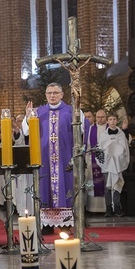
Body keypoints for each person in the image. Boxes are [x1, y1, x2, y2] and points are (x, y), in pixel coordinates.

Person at [22, 83, 76, 229]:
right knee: (44, 187)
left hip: (64, 158)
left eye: (55, 93)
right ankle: (46, 225)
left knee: (66, 187)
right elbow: (26, 132)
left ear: (61, 94)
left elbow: (82, 129)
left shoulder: (71, 111)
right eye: (49, 93)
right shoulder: (38, 111)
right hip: (44, 158)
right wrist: (28, 118)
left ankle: (65, 224)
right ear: (45, 95)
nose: (52, 95)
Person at [99, 112, 130, 217]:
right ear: (107, 121)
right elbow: (100, 150)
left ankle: (117, 207)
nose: (112, 121)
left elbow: (125, 148)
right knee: (107, 187)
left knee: (117, 185)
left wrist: (119, 156)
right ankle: (108, 208)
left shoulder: (121, 134)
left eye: (114, 119)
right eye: (110, 119)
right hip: (107, 164)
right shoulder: (103, 135)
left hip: (117, 164)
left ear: (117, 121)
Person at [85, 109, 108, 213]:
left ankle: (105, 207)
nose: (100, 119)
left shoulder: (110, 128)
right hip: (93, 159)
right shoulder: (91, 129)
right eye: (98, 117)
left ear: (106, 117)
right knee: (92, 183)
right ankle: (92, 208)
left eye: (102, 117)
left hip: (107, 161)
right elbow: (88, 145)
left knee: (106, 183)